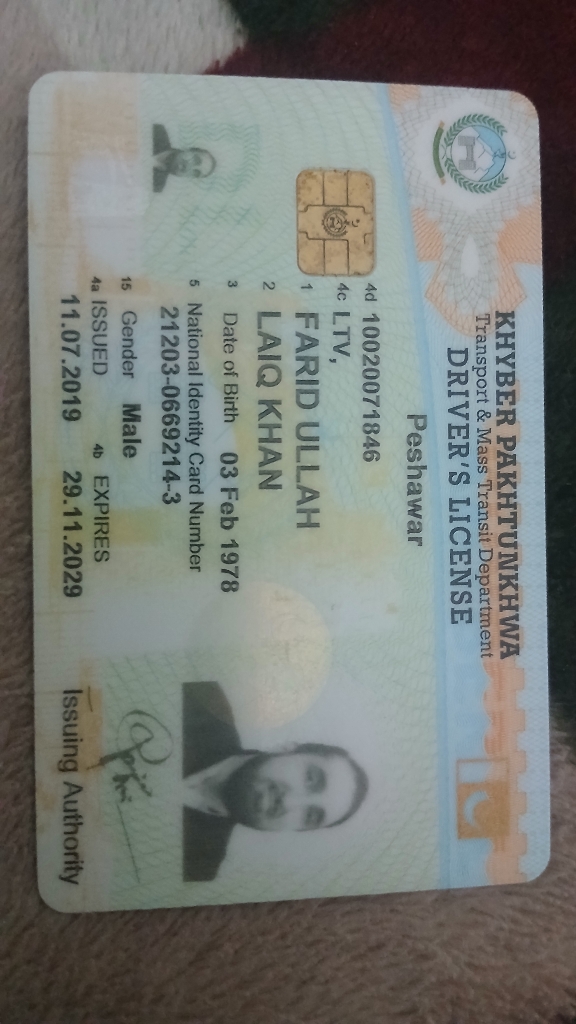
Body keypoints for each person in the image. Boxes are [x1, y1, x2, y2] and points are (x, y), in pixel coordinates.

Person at [182, 682, 369, 881]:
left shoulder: (198, 867)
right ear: (286, 748)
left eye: (310, 816)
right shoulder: (200, 702)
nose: (289, 802)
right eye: (310, 778)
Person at [152, 123, 216, 193]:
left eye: (195, 172)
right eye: (195, 160)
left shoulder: (155, 187)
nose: (189, 168)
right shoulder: (156, 131)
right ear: (188, 150)